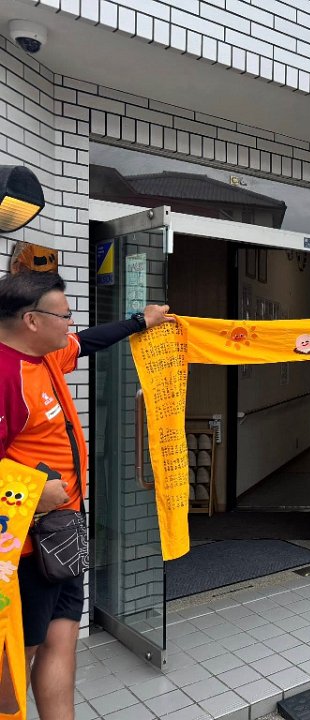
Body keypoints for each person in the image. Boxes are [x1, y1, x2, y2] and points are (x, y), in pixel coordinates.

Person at [0, 270, 172, 720]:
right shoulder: (4, 375)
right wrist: (31, 490)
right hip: (25, 548)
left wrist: (141, 321)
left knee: (61, 640)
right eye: (64, 315)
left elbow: (89, 341)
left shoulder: (47, 357)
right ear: (32, 320)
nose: (71, 324)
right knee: (17, 657)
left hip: (65, 533)